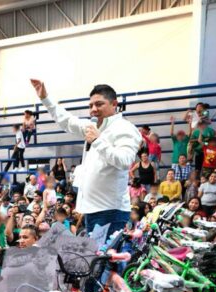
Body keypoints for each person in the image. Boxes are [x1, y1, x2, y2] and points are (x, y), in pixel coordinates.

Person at [32, 79, 140, 241]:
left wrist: (98, 141)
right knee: (95, 262)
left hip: (111, 211)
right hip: (91, 210)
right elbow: (66, 121)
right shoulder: (92, 126)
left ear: (114, 104)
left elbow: (124, 161)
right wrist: (45, 98)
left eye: (99, 104)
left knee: (105, 263)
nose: (93, 109)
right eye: (90, 106)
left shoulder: (125, 128)